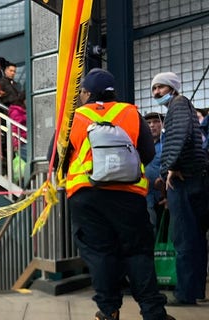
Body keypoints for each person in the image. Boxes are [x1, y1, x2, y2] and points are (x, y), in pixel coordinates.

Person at [65, 69, 173, 320]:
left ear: (88, 93)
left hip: (86, 193)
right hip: (128, 194)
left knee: (101, 252)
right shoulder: (130, 113)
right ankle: (153, 311)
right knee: (137, 252)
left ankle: (108, 310)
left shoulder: (75, 117)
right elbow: (147, 153)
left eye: (82, 92)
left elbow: (56, 157)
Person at [151, 72, 209, 305]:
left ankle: (185, 294)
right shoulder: (182, 105)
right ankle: (195, 290)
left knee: (184, 238)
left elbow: (181, 134)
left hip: (184, 183)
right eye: (154, 89)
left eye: (161, 87)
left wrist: (171, 167)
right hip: (196, 179)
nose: (156, 93)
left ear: (172, 88)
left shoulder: (178, 104)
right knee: (195, 238)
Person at [143, 112, 165, 235]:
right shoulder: (139, 144)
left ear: (162, 124)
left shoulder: (167, 143)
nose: (152, 125)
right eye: (148, 123)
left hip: (165, 196)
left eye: (156, 122)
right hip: (146, 195)